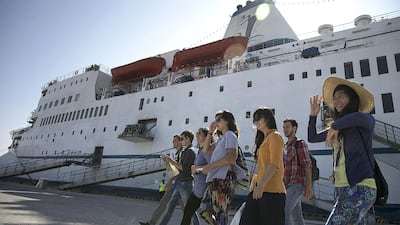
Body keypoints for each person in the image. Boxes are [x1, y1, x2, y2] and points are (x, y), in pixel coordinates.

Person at [308, 76, 376, 225]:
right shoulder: (337, 128)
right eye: (334, 98)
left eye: (341, 97)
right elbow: (312, 137)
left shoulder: (363, 122)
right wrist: (313, 115)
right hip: (341, 188)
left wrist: (335, 126)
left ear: (352, 99)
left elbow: (359, 117)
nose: (336, 101)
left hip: (360, 186)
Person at [239, 107, 286, 225]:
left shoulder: (275, 136)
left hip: (272, 191)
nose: (256, 121)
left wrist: (261, 185)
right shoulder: (265, 139)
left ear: (268, 119)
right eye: (255, 119)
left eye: (259, 117)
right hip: (259, 190)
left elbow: (274, 164)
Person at [198, 110, 245, 225]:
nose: (216, 122)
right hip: (216, 178)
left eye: (219, 119)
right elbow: (205, 150)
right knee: (205, 210)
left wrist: (210, 166)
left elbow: (231, 157)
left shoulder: (230, 135)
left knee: (220, 212)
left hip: (225, 178)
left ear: (227, 121)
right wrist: (211, 132)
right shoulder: (221, 139)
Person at [139, 135, 184, 225]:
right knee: (163, 203)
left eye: (175, 141)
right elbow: (174, 170)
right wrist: (167, 163)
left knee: (186, 208)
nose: (173, 142)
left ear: (180, 141)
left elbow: (179, 171)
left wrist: (169, 182)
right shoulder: (176, 153)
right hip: (175, 185)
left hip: (181, 185)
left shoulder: (182, 153)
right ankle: (152, 223)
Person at [158, 130, 198, 225]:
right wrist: (169, 163)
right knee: (170, 208)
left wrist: (171, 161)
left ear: (188, 139)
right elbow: (179, 169)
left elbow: (183, 168)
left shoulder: (189, 152)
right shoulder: (185, 151)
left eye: (182, 138)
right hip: (181, 183)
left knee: (190, 210)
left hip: (185, 184)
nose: (180, 140)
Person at [282, 118, 313, 225]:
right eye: (284, 127)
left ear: (294, 129)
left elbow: (307, 166)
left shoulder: (300, 144)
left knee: (284, 211)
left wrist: (308, 187)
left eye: (287, 127)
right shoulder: (285, 147)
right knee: (296, 217)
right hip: (288, 185)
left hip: (297, 184)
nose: (285, 130)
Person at [180, 128, 212, 225]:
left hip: (202, 190)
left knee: (189, 213)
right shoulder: (200, 150)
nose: (197, 135)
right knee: (188, 212)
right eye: (197, 133)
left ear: (206, 137)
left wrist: (197, 168)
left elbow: (213, 167)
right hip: (197, 188)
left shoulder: (206, 151)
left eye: (200, 134)